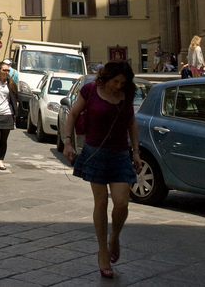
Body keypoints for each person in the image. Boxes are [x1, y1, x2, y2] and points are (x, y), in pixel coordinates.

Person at [64, 62, 141, 279]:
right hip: (95, 152)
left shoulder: (127, 93)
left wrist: (135, 151)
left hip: (120, 154)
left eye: (122, 82)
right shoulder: (90, 90)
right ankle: (102, 252)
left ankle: (114, 236)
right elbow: (72, 114)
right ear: (105, 79)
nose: (119, 85)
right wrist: (68, 142)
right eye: (115, 81)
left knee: (122, 203)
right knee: (101, 202)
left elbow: (131, 122)